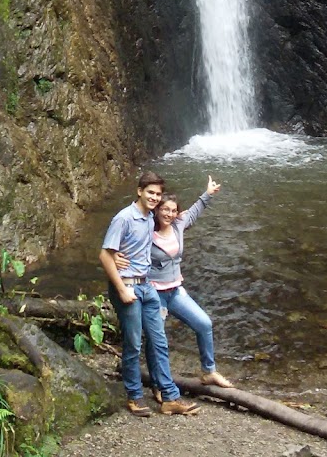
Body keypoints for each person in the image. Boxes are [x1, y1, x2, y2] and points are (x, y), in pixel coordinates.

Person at [115, 174, 233, 399]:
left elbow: (196, 210)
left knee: (204, 324)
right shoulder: (146, 230)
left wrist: (207, 193)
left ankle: (209, 371)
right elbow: (124, 243)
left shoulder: (179, 224)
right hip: (153, 293)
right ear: (157, 210)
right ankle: (158, 385)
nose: (169, 214)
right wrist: (116, 257)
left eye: (173, 210)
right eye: (165, 209)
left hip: (175, 291)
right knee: (156, 340)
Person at [99, 170, 200, 417]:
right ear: (139, 191)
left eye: (158, 194)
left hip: (148, 286)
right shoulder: (124, 218)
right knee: (133, 343)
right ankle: (134, 396)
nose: (155, 197)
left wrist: (205, 197)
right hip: (128, 286)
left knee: (159, 341)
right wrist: (122, 289)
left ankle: (169, 397)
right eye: (151, 193)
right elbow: (104, 254)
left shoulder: (151, 218)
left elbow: (176, 219)